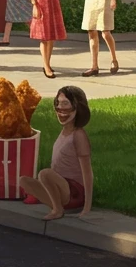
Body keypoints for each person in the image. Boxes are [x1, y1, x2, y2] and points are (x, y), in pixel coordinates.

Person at [19, 86, 93, 221]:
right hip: (61, 187)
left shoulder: (78, 135)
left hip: (75, 193)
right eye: (58, 103)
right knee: (24, 181)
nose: (60, 108)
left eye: (65, 104)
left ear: (78, 107)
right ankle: (56, 204)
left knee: (45, 173)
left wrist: (87, 208)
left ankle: (58, 210)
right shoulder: (64, 131)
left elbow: (87, 173)